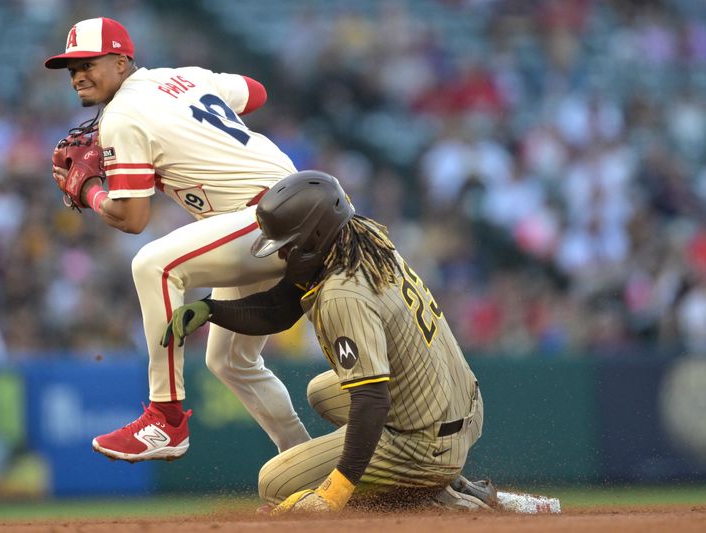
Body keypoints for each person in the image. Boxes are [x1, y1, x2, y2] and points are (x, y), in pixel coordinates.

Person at [44, 17, 310, 463]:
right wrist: (196, 117)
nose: (78, 75)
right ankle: (303, 460)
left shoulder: (122, 117)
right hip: (285, 211)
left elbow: (132, 218)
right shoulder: (182, 77)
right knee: (228, 361)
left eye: (89, 63)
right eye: (71, 69)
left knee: (153, 264)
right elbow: (255, 91)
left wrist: (88, 191)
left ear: (122, 61)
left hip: (273, 217)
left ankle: (164, 419)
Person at [164, 170, 494, 513]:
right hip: (460, 403)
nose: (281, 256)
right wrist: (211, 309)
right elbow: (279, 308)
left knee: (275, 483)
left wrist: (336, 491)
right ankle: (444, 484)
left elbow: (372, 401)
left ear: (315, 236)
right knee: (321, 392)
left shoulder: (342, 294)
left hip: (425, 442)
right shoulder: (360, 239)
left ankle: (431, 500)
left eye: (287, 245)